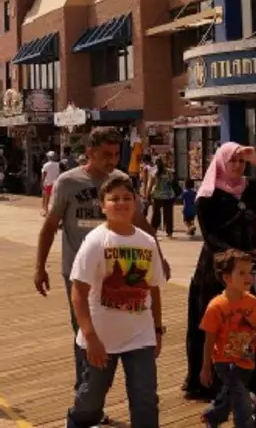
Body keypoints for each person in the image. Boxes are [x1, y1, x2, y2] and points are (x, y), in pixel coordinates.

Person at [34, 127, 169, 415]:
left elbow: (142, 223)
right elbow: (50, 226)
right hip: (79, 273)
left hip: (120, 269)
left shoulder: (120, 182)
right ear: (90, 152)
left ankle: (91, 396)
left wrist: (160, 254)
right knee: (86, 335)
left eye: (116, 153)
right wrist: (39, 266)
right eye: (105, 154)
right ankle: (88, 399)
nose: (112, 159)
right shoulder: (68, 182)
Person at [184, 142, 256, 401]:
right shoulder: (208, 195)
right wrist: (238, 258)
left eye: (242, 162)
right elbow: (211, 237)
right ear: (220, 163)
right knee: (213, 324)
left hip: (247, 268)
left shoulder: (248, 189)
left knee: (247, 323)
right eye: (234, 161)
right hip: (217, 270)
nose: (239, 167)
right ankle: (207, 382)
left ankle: (247, 380)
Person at [66, 174, 165, 428]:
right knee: (91, 398)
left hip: (140, 336)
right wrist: (90, 337)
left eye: (127, 198)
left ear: (136, 203)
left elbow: (153, 288)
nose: (121, 203)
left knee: (145, 399)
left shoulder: (147, 242)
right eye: (114, 199)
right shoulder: (96, 241)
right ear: (103, 205)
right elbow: (78, 290)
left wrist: (157, 329)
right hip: (101, 337)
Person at [200, 249, 256, 427]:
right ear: (227, 278)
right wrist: (206, 368)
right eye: (241, 273)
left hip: (246, 360)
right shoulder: (216, 306)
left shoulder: (252, 302)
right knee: (241, 400)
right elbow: (209, 339)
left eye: (250, 272)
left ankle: (214, 414)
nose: (248, 277)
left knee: (231, 394)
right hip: (224, 361)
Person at [148, 158, 178, 238]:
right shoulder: (169, 172)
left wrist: (147, 194)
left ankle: (154, 230)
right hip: (169, 196)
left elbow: (150, 185)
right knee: (168, 214)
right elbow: (172, 183)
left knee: (156, 214)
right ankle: (169, 232)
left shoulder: (154, 172)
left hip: (157, 196)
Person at [41, 151, 62, 217]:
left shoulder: (46, 165)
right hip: (56, 183)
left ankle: (46, 211)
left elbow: (44, 175)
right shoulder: (59, 164)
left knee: (46, 198)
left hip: (48, 183)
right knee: (55, 199)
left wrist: (42, 183)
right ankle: (54, 212)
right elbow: (60, 173)